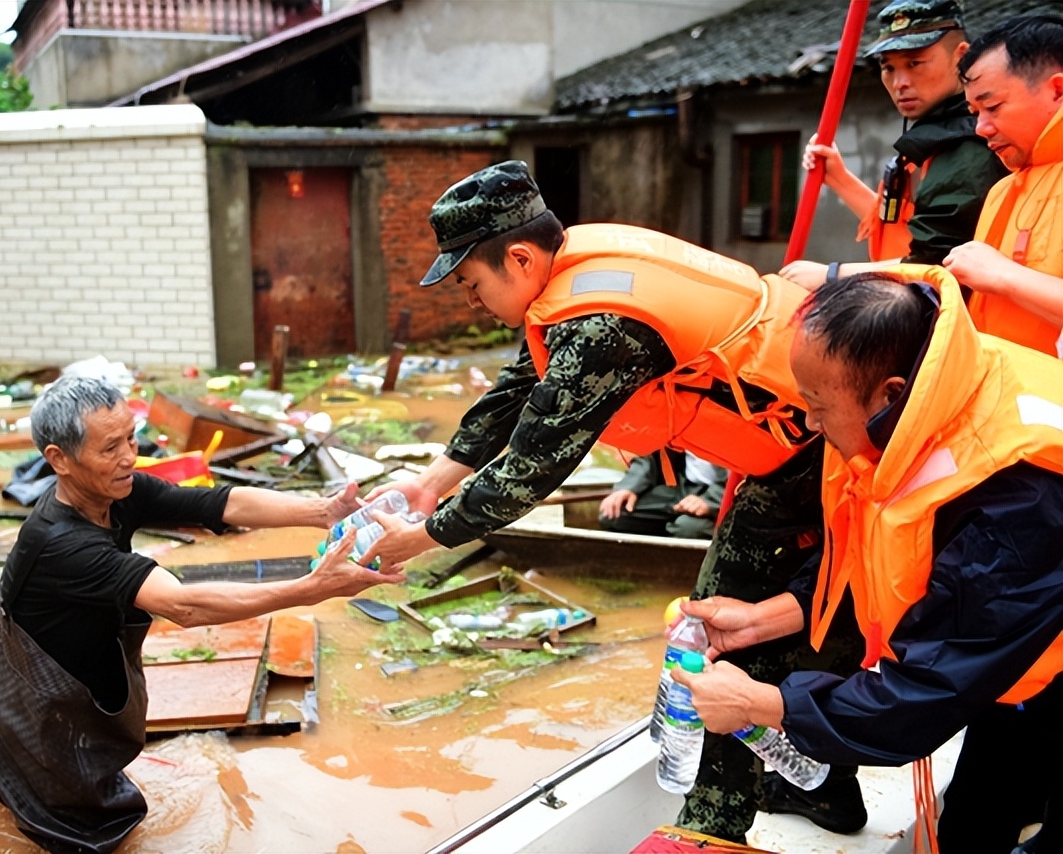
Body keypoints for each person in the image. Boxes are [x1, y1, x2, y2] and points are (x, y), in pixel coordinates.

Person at [366, 161, 866, 843]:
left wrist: (418, 539)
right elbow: (518, 389)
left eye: (471, 284)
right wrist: (428, 482)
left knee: (712, 640)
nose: (470, 301)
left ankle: (711, 831)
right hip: (798, 450)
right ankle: (827, 792)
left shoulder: (603, 328)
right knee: (783, 623)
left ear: (518, 257)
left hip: (824, 455)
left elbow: (526, 472)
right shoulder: (573, 274)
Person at [672, 268, 1063, 854]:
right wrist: (766, 616)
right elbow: (876, 550)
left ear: (891, 392)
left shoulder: (1016, 495)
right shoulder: (935, 392)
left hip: (1034, 656)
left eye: (818, 408)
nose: (809, 425)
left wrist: (765, 705)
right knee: (971, 825)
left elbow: (932, 687)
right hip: (1019, 666)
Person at [0, 375, 402, 854]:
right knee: (77, 835)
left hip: (73, 677)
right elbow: (184, 605)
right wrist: (309, 589)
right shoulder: (62, 543)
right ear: (58, 460)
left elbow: (219, 502)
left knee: (95, 805)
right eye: (110, 447)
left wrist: (323, 510)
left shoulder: (114, 491)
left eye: (131, 438)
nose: (130, 456)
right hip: (28, 705)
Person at [780, 0, 1007, 290]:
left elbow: (937, 263)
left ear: (960, 58)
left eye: (914, 63)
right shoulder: (932, 134)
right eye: (888, 67)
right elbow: (899, 228)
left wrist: (832, 275)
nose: (900, 82)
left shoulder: (967, 144)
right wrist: (838, 178)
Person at [942, 12, 1063, 356]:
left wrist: (1005, 276)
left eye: (992, 106)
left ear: (1058, 90)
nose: (981, 127)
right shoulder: (1001, 191)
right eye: (975, 112)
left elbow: (996, 276)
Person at [598, 450, 725, 540]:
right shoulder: (674, 414)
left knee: (687, 528)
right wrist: (629, 487)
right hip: (683, 487)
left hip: (725, 496)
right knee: (614, 513)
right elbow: (650, 451)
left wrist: (710, 501)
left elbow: (742, 474)